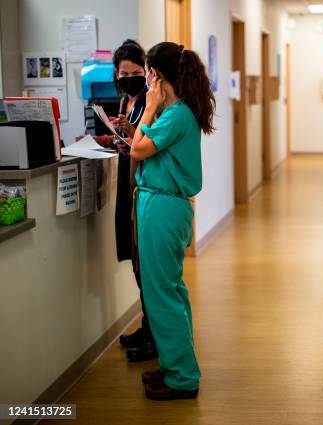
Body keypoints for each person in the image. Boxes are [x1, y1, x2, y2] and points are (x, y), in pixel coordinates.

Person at [130, 41, 215, 400]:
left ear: (159, 76)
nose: (146, 81)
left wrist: (147, 110)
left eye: (148, 74)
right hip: (162, 206)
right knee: (169, 291)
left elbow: (137, 149)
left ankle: (182, 378)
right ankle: (174, 366)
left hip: (163, 210)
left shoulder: (175, 114)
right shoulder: (178, 112)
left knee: (162, 294)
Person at [76, 39, 158, 363]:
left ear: (147, 71)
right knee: (136, 262)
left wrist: (129, 132)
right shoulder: (127, 100)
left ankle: (154, 335)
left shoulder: (149, 102)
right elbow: (129, 144)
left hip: (141, 188)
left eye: (136, 71)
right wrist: (115, 138)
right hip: (127, 184)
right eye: (124, 72)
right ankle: (147, 326)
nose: (129, 77)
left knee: (146, 265)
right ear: (116, 73)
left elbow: (148, 141)